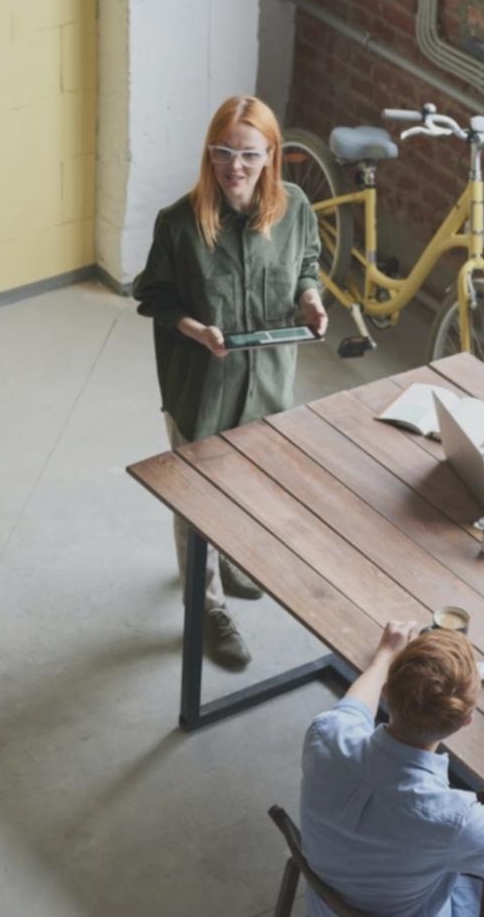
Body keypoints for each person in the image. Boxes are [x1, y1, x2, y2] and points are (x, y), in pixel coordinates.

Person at [131, 96, 327, 667]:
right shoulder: (179, 223)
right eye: (222, 153)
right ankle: (207, 604)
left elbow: (308, 265)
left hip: (267, 384)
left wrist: (311, 300)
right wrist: (195, 331)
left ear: (271, 155)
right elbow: (154, 296)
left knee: (248, 486)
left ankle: (236, 559)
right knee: (197, 501)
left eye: (247, 154)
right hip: (202, 387)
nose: (234, 167)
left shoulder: (295, 209)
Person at [300, 624, 484, 917]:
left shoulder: (325, 735)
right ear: (466, 721)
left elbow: (353, 708)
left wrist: (385, 655)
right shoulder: (451, 819)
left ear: (386, 692)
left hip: (329, 905)